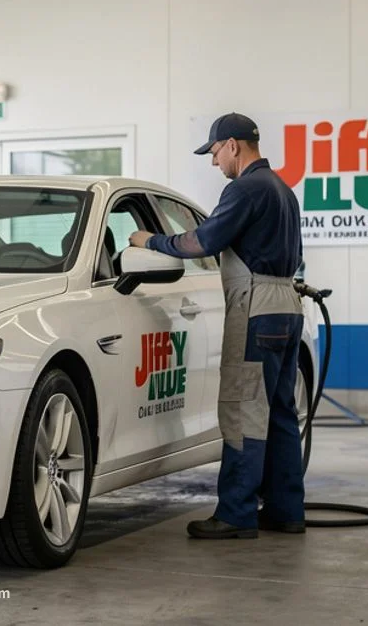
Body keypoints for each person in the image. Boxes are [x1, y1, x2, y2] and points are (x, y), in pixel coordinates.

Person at [128, 112, 306, 539]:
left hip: (256, 304)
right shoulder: (283, 190)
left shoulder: (244, 189)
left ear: (232, 145)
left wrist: (148, 241)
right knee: (279, 412)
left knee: (243, 409)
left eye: (213, 153)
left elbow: (201, 241)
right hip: (288, 302)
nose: (213, 163)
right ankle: (286, 510)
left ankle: (236, 514)